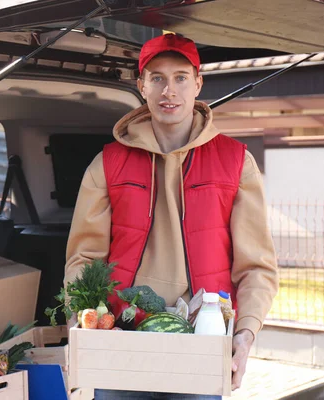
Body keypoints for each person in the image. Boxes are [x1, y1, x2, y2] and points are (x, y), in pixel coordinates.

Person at [64, 33, 279, 400]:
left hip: (202, 341)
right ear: (141, 86)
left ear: (198, 83)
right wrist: (81, 323)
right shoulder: (107, 164)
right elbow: (84, 259)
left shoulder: (236, 163)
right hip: (121, 340)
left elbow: (257, 267)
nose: (169, 91)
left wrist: (244, 335)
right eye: (158, 78)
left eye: (181, 77)